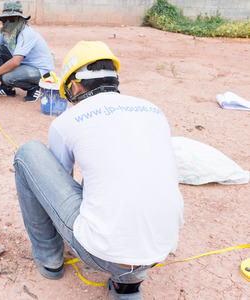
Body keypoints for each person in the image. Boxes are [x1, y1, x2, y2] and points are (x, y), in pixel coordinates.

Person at [13, 41, 184, 299]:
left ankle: (50, 260)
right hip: (160, 249)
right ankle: (128, 283)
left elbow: (58, 181)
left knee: (28, 152)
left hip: (100, 253)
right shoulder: (154, 110)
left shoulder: (66, 121)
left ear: (74, 86)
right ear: (114, 79)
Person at [0, 1, 54, 102]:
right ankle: (7, 89)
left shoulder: (27, 34)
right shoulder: (4, 32)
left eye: (11, 19)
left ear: (20, 19)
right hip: (24, 65)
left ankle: (33, 87)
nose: (7, 22)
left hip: (40, 70)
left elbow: (16, 62)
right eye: (4, 19)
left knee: (8, 77)